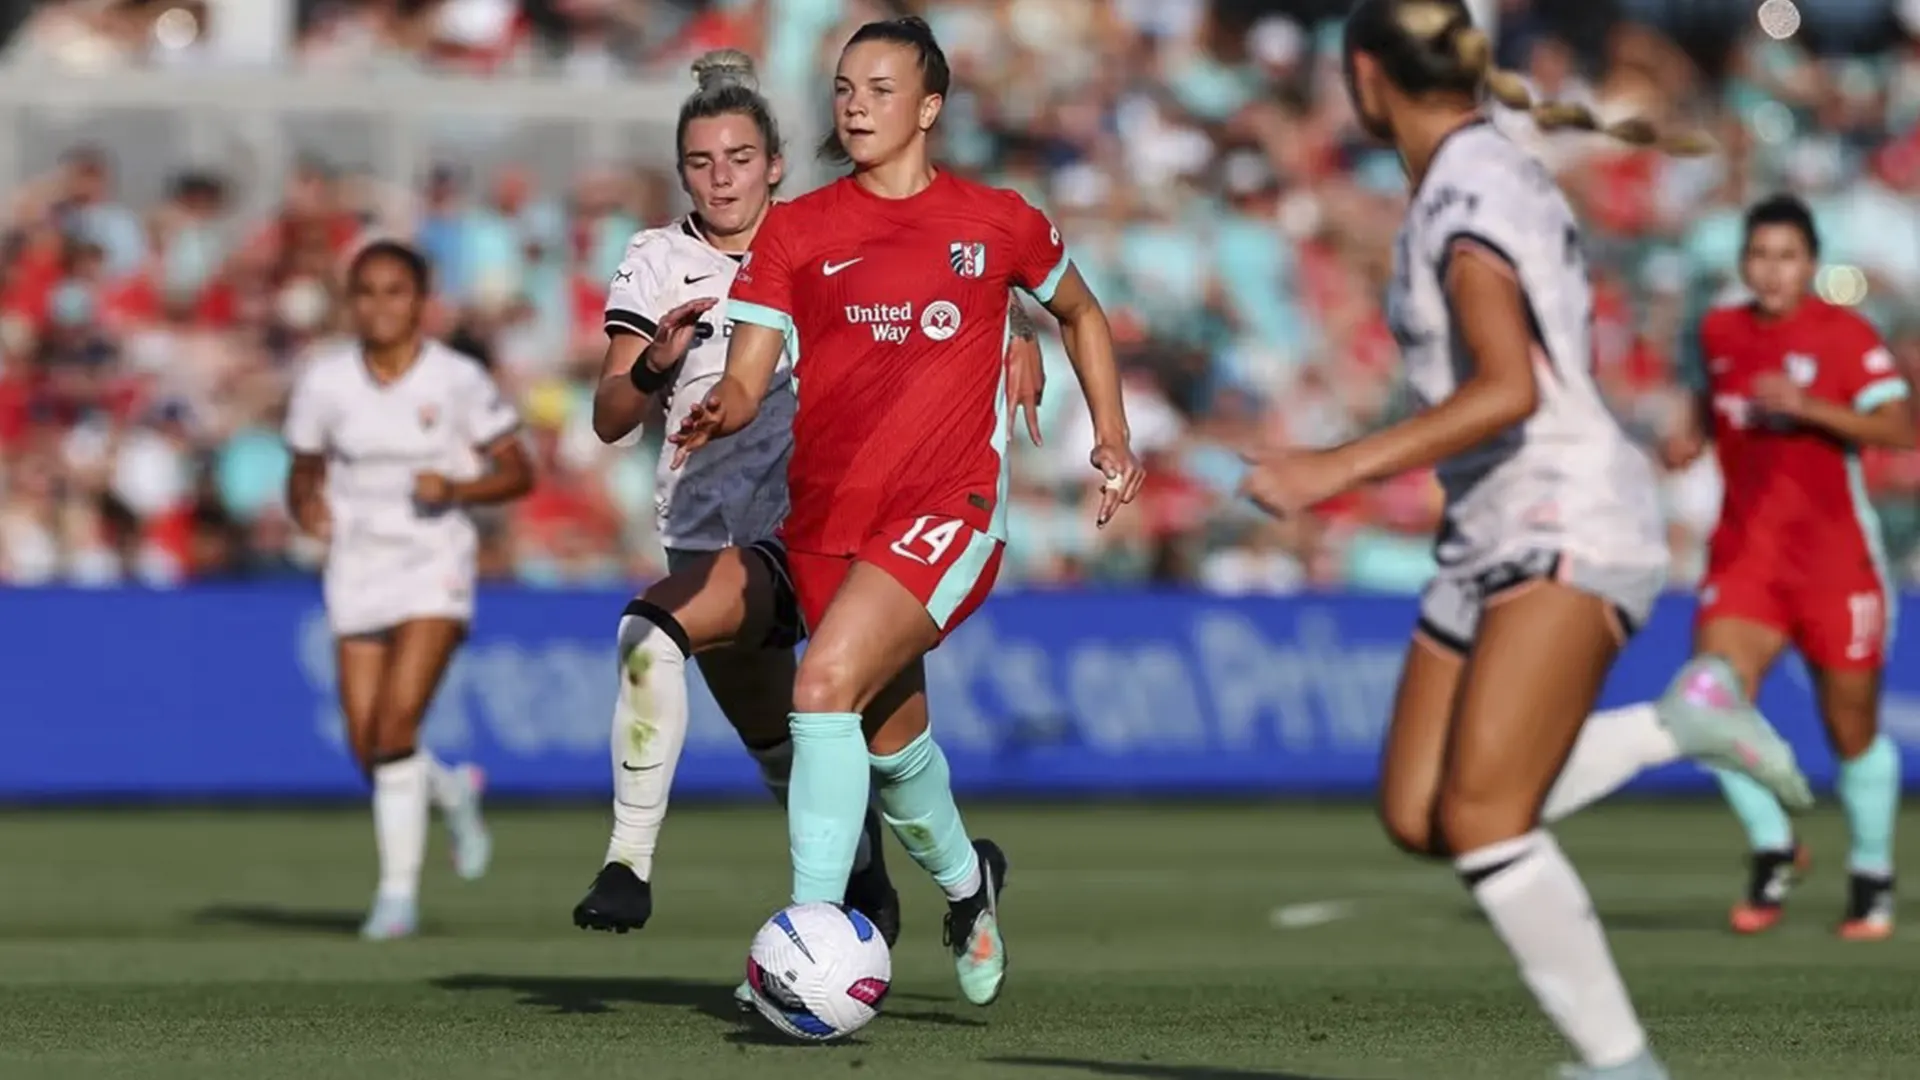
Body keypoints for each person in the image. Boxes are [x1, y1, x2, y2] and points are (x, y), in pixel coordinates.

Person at [1240, 2, 1789, 1076]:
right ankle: (1678, 725)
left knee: (1486, 819)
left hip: (1563, 510)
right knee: (1420, 813)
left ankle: (1623, 1066)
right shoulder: (1478, 163)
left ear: (1366, 76)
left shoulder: (1467, 190)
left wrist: (1334, 467)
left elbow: (1507, 388)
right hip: (1490, 521)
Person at [672, 17, 1142, 1009]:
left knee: (820, 686)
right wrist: (724, 406)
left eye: (880, 90)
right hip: (826, 520)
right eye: (845, 89)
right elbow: (751, 375)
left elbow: (1080, 311)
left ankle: (805, 939)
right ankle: (971, 889)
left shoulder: (997, 221)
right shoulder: (797, 229)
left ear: (929, 108)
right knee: (890, 747)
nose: (856, 106)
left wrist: (1111, 434)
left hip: (948, 508)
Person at [570, 48, 1053, 1003]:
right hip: (703, 534)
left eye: (740, 158)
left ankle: (638, 867)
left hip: (813, 527)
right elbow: (610, 416)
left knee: (653, 633)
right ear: (682, 174)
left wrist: (1020, 328)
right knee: (828, 749)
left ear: (776, 165)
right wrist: (659, 366)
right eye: (701, 162)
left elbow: (950, 280)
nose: (722, 178)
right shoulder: (657, 259)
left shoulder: (821, 233)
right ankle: (923, 882)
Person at [1541, 194, 1912, 939]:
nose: (1772, 271)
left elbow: (1901, 427)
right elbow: (1711, 405)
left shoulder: (1843, 334)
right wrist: (1691, 438)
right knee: (1704, 704)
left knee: (1852, 731)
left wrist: (1810, 407)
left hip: (1836, 565)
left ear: (1811, 264)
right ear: (1743, 262)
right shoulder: (1719, 330)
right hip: (1746, 558)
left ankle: (1871, 873)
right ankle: (1774, 845)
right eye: (1760, 256)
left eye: (1787, 257)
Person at [284, 239, 534, 940]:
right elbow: (302, 469)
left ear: (421, 301)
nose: (380, 306)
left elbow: (518, 471)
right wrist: (306, 507)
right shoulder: (325, 382)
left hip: (433, 561)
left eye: (395, 291)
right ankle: (452, 791)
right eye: (366, 292)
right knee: (369, 745)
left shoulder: (456, 379)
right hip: (357, 563)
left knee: (397, 726)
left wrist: (455, 487)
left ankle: (396, 898)